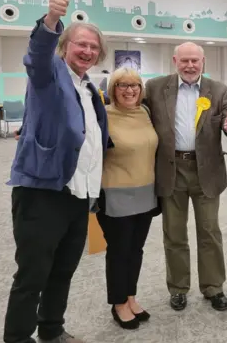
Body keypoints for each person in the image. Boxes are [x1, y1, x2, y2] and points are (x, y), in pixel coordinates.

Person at [4, 0, 109, 343]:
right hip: (43, 191)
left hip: (79, 195)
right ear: (65, 46)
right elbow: (36, 54)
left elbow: (89, 135)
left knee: (62, 270)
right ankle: (18, 337)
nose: (87, 51)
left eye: (93, 47)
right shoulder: (48, 74)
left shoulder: (89, 88)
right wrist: (51, 20)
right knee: (32, 275)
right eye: (81, 44)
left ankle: (51, 330)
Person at [144, 42, 227, 312]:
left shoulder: (218, 90)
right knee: (174, 234)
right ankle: (178, 288)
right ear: (175, 60)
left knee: (209, 231)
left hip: (206, 171)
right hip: (170, 170)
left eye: (195, 61)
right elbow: (133, 112)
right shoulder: (154, 88)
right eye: (184, 60)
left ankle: (213, 287)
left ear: (203, 62)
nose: (189, 66)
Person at [96, 68, 159, 330]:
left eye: (135, 85)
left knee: (136, 250)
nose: (129, 90)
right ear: (113, 89)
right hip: (115, 193)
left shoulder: (144, 113)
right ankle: (118, 302)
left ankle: (131, 296)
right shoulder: (104, 116)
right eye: (122, 85)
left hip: (146, 193)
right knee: (119, 251)